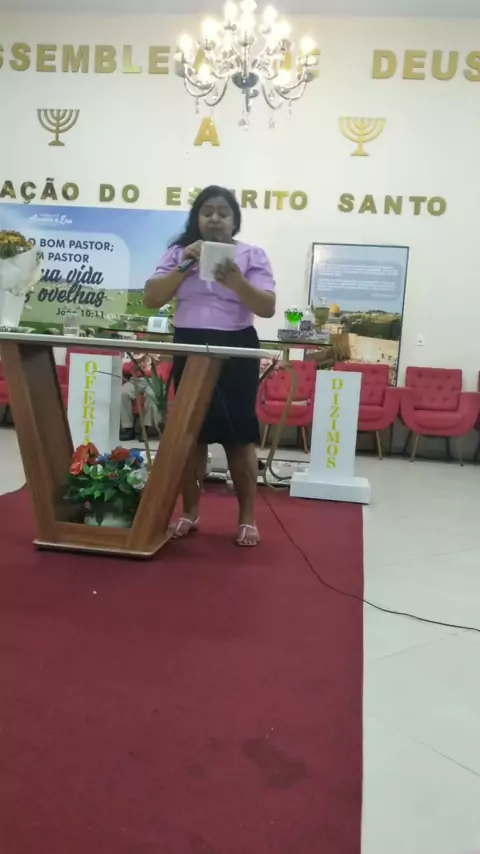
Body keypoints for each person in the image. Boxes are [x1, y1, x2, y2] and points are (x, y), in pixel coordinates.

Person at [144, 185, 276, 547]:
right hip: (189, 343)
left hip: (236, 346)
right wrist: (185, 265)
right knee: (191, 435)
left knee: (239, 436)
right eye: (207, 212)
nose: (215, 218)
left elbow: (266, 307)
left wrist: (236, 280)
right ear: (196, 219)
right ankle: (190, 512)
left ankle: (247, 518)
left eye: (223, 212)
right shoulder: (178, 253)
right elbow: (151, 299)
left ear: (235, 220)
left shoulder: (252, 255)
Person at [120, 354, 159, 441]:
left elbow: (163, 373)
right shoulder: (137, 356)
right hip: (136, 380)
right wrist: (136, 363)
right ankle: (128, 428)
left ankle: (145, 428)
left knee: (151, 395)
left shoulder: (161, 358)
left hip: (153, 380)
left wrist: (150, 365)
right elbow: (125, 369)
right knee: (123, 393)